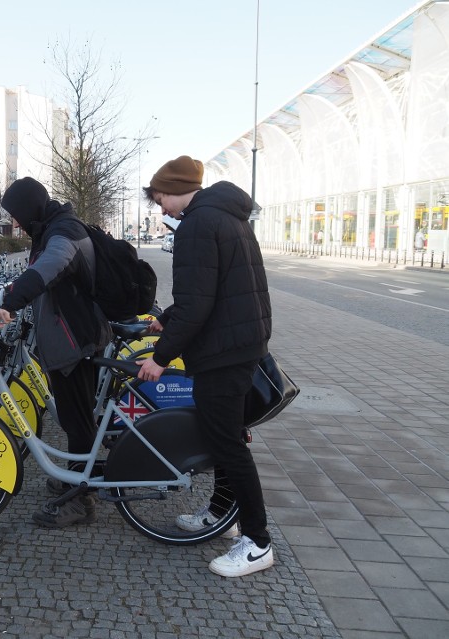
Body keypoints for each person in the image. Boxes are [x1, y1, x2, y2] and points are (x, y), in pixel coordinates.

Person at [135, 155, 274, 578]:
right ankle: (222, 516)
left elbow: (199, 302)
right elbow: (211, 291)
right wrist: (170, 318)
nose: (161, 209)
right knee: (223, 438)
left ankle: (258, 542)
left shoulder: (197, 224)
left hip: (223, 351)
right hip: (238, 343)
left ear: (177, 190)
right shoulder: (227, 216)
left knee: (229, 444)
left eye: (161, 199)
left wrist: (160, 357)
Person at [0, 177, 111, 528]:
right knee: (76, 418)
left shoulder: (63, 233)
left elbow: (47, 269)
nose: (15, 222)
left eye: (16, 214)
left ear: (29, 208)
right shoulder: (52, 228)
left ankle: (80, 502)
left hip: (75, 342)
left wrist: (11, 303)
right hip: (70, 338)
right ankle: (75, 477)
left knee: (78, 421)